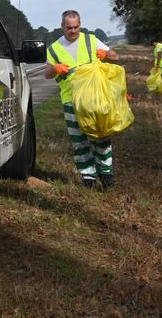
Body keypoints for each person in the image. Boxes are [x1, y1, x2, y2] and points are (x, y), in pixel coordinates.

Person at [44, 10, 119, 189]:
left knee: (101, 136)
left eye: (76, 27)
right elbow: (46, 73)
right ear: (62, 26)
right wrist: (56, 68)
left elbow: (115, 56)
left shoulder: (90, 40)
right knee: (79, 141)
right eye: (69, 27)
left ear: (80, 25)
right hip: (70, 101)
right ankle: (88, 177)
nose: (73, 31)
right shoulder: (54, 48)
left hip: (95, 98)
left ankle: (106, 173)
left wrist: (105, 54)